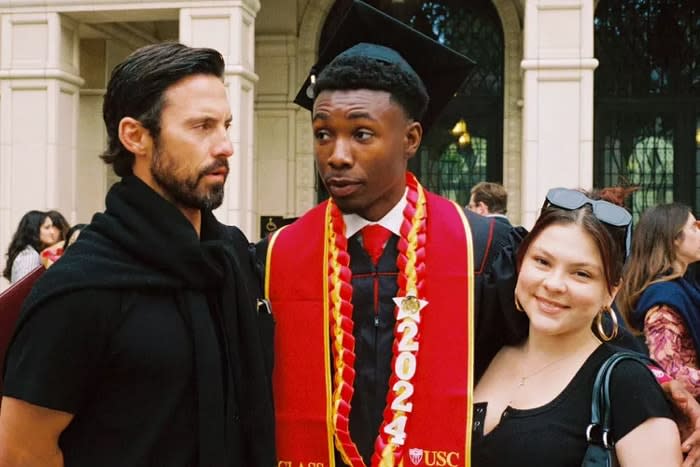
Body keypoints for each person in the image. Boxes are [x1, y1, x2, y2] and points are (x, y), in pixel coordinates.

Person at [260, 2, 529, 465]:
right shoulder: (275, 257)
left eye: (361, 134)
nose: (336, 155)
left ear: (411, 139)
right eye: (323, 133)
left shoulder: (482, 249)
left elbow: (556, 351)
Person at [0, 42, 275, 467]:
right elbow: (22, 452)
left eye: (226, 125)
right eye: (202, 126)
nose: (225, 146)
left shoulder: (234, 260)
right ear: (135, 136)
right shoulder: (80, 289)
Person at [473, 188, 681, 466]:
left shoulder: (629, 384)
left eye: (581, 273)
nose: (554, 284)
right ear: (521, 263)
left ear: (611, 291)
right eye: (542, 262)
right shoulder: (482, 349)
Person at [618, 203, 700, 397]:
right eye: (693, 227)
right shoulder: (664, 299)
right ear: (674, 239)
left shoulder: (684, 287)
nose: (699, 232)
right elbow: (670, 372)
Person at [3, 210, 60, 283]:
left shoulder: (29, 253)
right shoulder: (30, 256)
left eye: (52, 226)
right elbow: (24, 289)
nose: (52, 232)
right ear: (34, 230)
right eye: (47, 227)